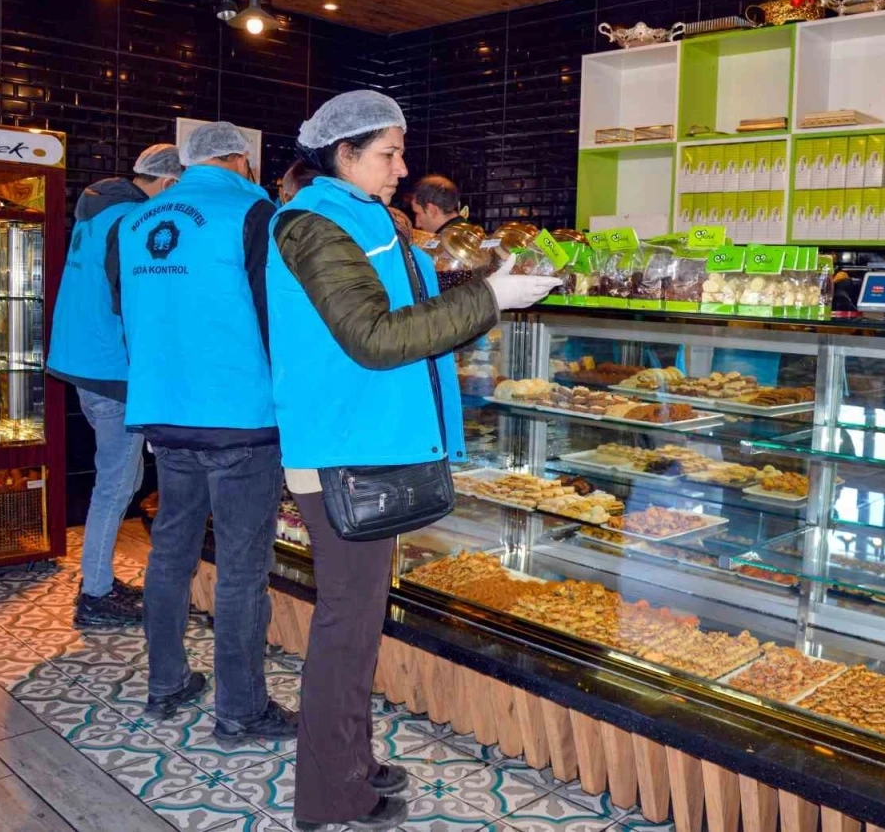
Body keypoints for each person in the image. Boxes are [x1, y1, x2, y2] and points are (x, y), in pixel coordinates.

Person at [266, 90, 559, 831]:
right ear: (343, 154)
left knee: (360, 623)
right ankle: (330, 795)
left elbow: (406, 311)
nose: (402, 168)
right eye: (388, 153)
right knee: (346, 627)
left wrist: (490, 282)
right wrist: (491, 298)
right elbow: (373, 336)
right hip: (341, 449)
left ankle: (352, 763)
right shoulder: (312, 224)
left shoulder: (363, 217)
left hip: (371, 441)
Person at [117, 122, 295, 740]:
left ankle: (166, 681)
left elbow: (127, 308)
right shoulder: (256, 214)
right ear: (240, 159)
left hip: (164, 411)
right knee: (242, 569)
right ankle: (241, 711)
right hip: (239, 418)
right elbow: (277, 318)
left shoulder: (133, 222)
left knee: (170, 551)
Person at [46, 143, 182, 627]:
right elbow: (135, 303)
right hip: (112, 369)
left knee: (121, 478)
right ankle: (95, 596)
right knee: (116, 483)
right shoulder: (131, 222)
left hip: (82, 361)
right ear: (168, 183)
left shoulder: (97, 213)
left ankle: (99, 579)